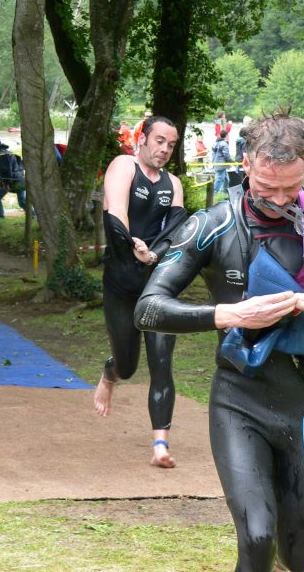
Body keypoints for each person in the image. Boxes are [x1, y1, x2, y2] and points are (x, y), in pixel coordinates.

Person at [135, 113, 304, 572]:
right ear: (247, 165)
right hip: (238, 398)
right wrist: (229, 314)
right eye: (268, 189)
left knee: (298, 555)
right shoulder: (212, 224)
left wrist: (299, 303)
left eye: (291, 189)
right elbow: (148, 308)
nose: (280, 200)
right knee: (257, 535)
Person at [93, 115, 186, 468]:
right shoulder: (123, 166)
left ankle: (160, 445)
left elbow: (178, 230)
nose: (164, 149)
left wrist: (155, 255)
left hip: (158, 284)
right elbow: (116, 213)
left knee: (162, 363)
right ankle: (109, 373)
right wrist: (134, 246)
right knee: (128, 367)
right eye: (159, 140)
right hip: (121, 281)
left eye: (171, 144)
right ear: (143, 139)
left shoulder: (173, 183)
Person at [0, 137, 26, 218]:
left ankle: (0, 216)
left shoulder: (0, 154)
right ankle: (33, 214)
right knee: (22, 201)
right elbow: (20, 166)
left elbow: (6, 170)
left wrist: (6, 183)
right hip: (19, 179)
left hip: (11, 181)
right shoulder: (8, 152)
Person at [212, 130, 231, 194]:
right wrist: (231, 161)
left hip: (217, 162)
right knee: (220, 178)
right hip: (221, 164)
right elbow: (226, 155)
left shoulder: (217, 142)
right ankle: (214, 192)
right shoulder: (224, 144)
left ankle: (225, 192)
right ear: (226, 136)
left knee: (226, 179)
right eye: (228, 135)